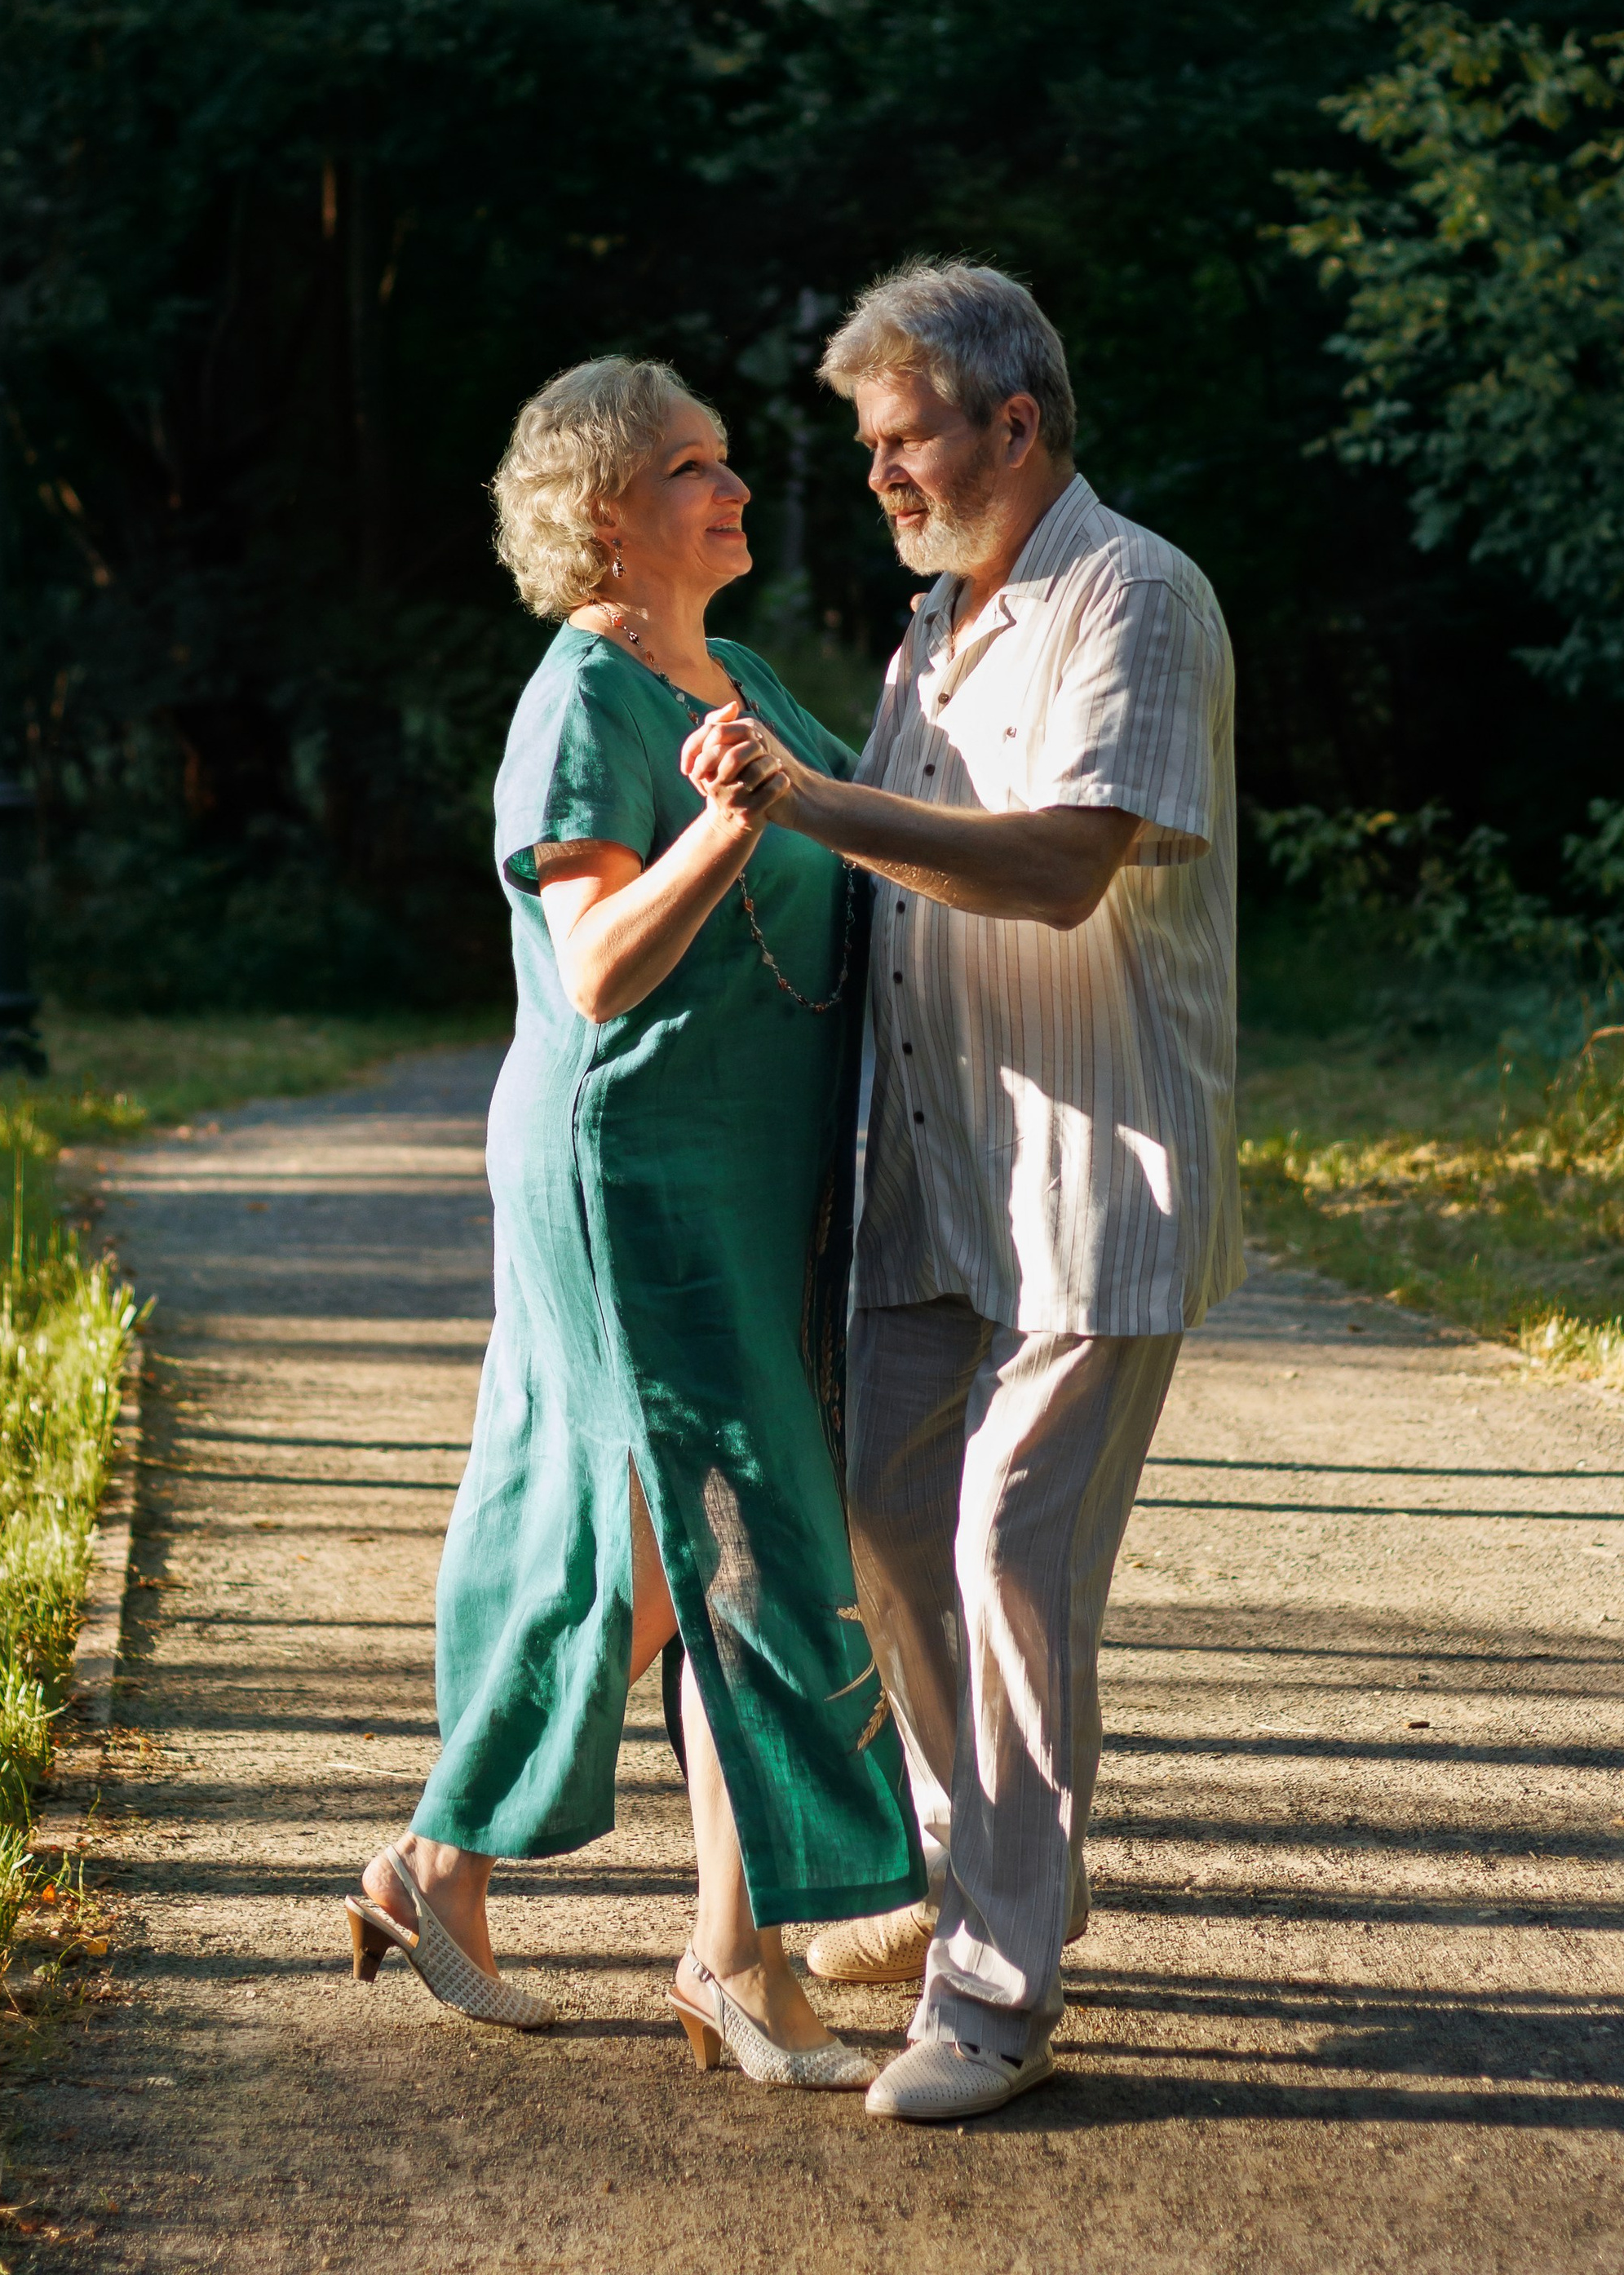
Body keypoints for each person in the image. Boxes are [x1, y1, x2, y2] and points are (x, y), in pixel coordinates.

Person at [683, 260, 1239, 2123]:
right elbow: (872, 890)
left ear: (1015, 422)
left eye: (900, 434)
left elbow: (1062, 866)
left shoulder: (1133, 594)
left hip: (1097, 1169)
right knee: (877, 1521)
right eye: (862, 444)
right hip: (934, 1178)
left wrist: (805, 798)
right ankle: (990, 1857)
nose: (878, 475)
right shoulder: (932, 627)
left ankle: (994, 1986)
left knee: (1006, 1542)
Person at [345, 355, 921, 2088]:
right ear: (606, 512)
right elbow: (594, 965)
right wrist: (729, 828)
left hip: (739, 1167)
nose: (736, 490)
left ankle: (437, 1866)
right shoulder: (577, 699)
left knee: (644, 1558)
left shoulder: (733, 671)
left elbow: (878, 822)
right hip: (632, 1169)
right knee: (738, 1542)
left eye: (730, 463)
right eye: (695, 467)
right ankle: (739, 1961)